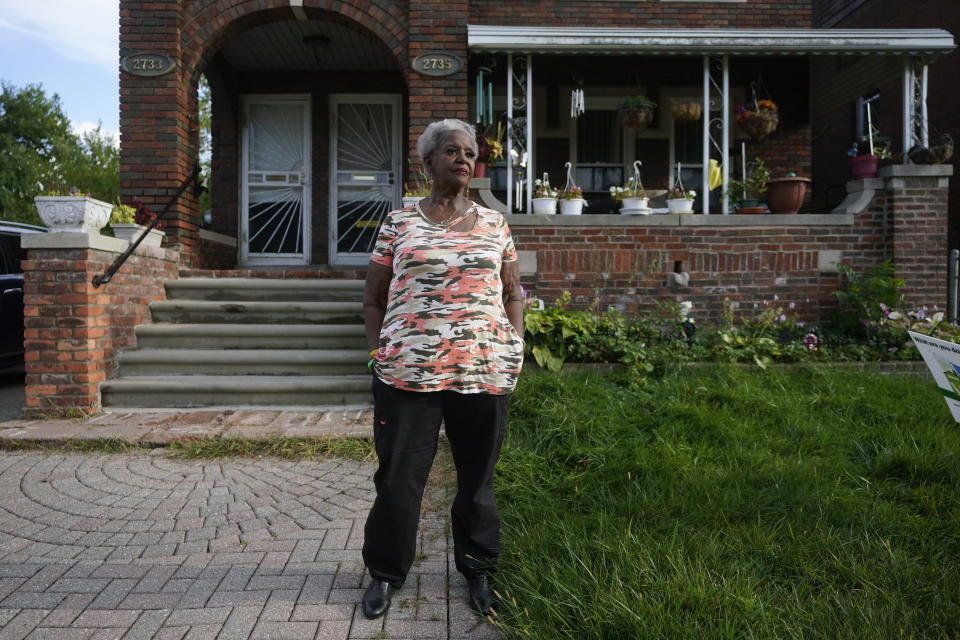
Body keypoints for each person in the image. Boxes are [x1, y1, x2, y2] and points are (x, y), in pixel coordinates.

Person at [360, 118, 524, 620]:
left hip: (482, 371)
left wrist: (514, 343)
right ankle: (386, 573)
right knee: (399, 478)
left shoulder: (495, 224)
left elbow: (512, 290)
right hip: (408, 373)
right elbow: (373, 297)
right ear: (427, 162)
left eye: (469, 152)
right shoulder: (398, 224)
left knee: (477, 478)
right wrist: (377, 352)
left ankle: (478, 570)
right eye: (451, 150)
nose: (463, 158)